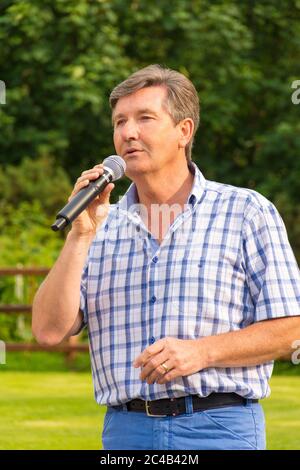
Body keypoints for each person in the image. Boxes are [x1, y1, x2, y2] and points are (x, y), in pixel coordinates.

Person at [32, 64, 300, 450]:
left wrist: (201, 352)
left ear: (184, 131)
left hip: (219, 426)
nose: (128, 132)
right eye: (120, 121)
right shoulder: (98, 225)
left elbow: (291, 328)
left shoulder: (246, 212)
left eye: (145, 118)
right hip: (126, 432)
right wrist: (79, 237)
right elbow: (47, 331)